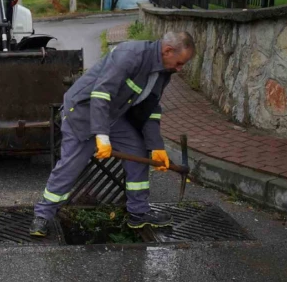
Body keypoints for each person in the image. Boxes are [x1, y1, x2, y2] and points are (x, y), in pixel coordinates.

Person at [29, 31, 196, 237]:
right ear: (168, 50)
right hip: (83, 113)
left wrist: (156, 146)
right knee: (70, 167)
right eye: (179, 63)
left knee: (139, 152)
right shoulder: (130, 54)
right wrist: (101, 136)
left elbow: (150, 108)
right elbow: (101, 94)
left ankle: (138, 212)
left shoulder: (164, 71)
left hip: (113, 115)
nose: (180, 69)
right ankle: (43, 215)